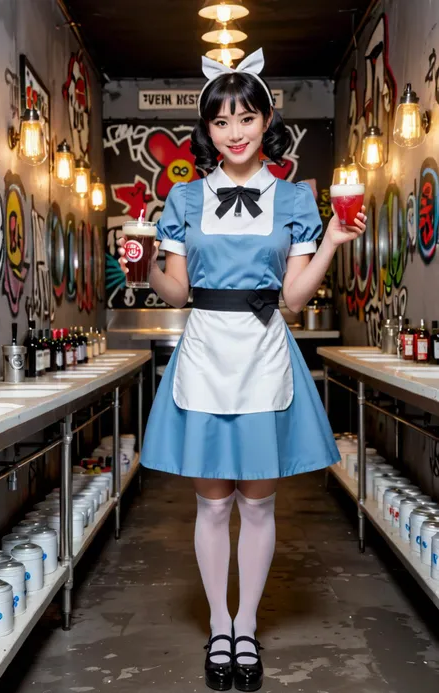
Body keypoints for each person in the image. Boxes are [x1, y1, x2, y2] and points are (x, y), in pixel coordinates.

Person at [118, 48, 366, 692]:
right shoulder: (182, 196)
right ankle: (219, 625)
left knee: (257, 506)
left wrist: (333, 246)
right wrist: (142, 266)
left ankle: (247, 628)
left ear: (265, 123)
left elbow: (294, 298)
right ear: (207, 130)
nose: (235, 132)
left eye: (246, 118)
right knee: (210, 504)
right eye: (222, 121)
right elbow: (176, 293)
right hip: (204, 347)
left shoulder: (293, 199)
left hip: (263, 349)